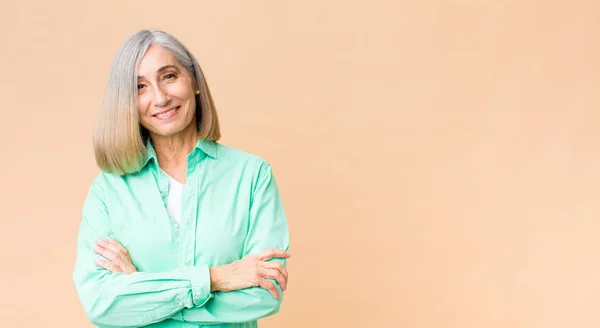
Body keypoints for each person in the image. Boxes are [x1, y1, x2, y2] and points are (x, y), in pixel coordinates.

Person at [72, 29, 291, 328]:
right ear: (127, 103)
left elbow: (264, 295)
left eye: (169, 76)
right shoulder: (108, 191)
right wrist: (216, 279)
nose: (160, 97)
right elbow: (101, 304)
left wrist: (140, 288)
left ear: (195, 82)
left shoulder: (252, 176)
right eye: (140, 86)